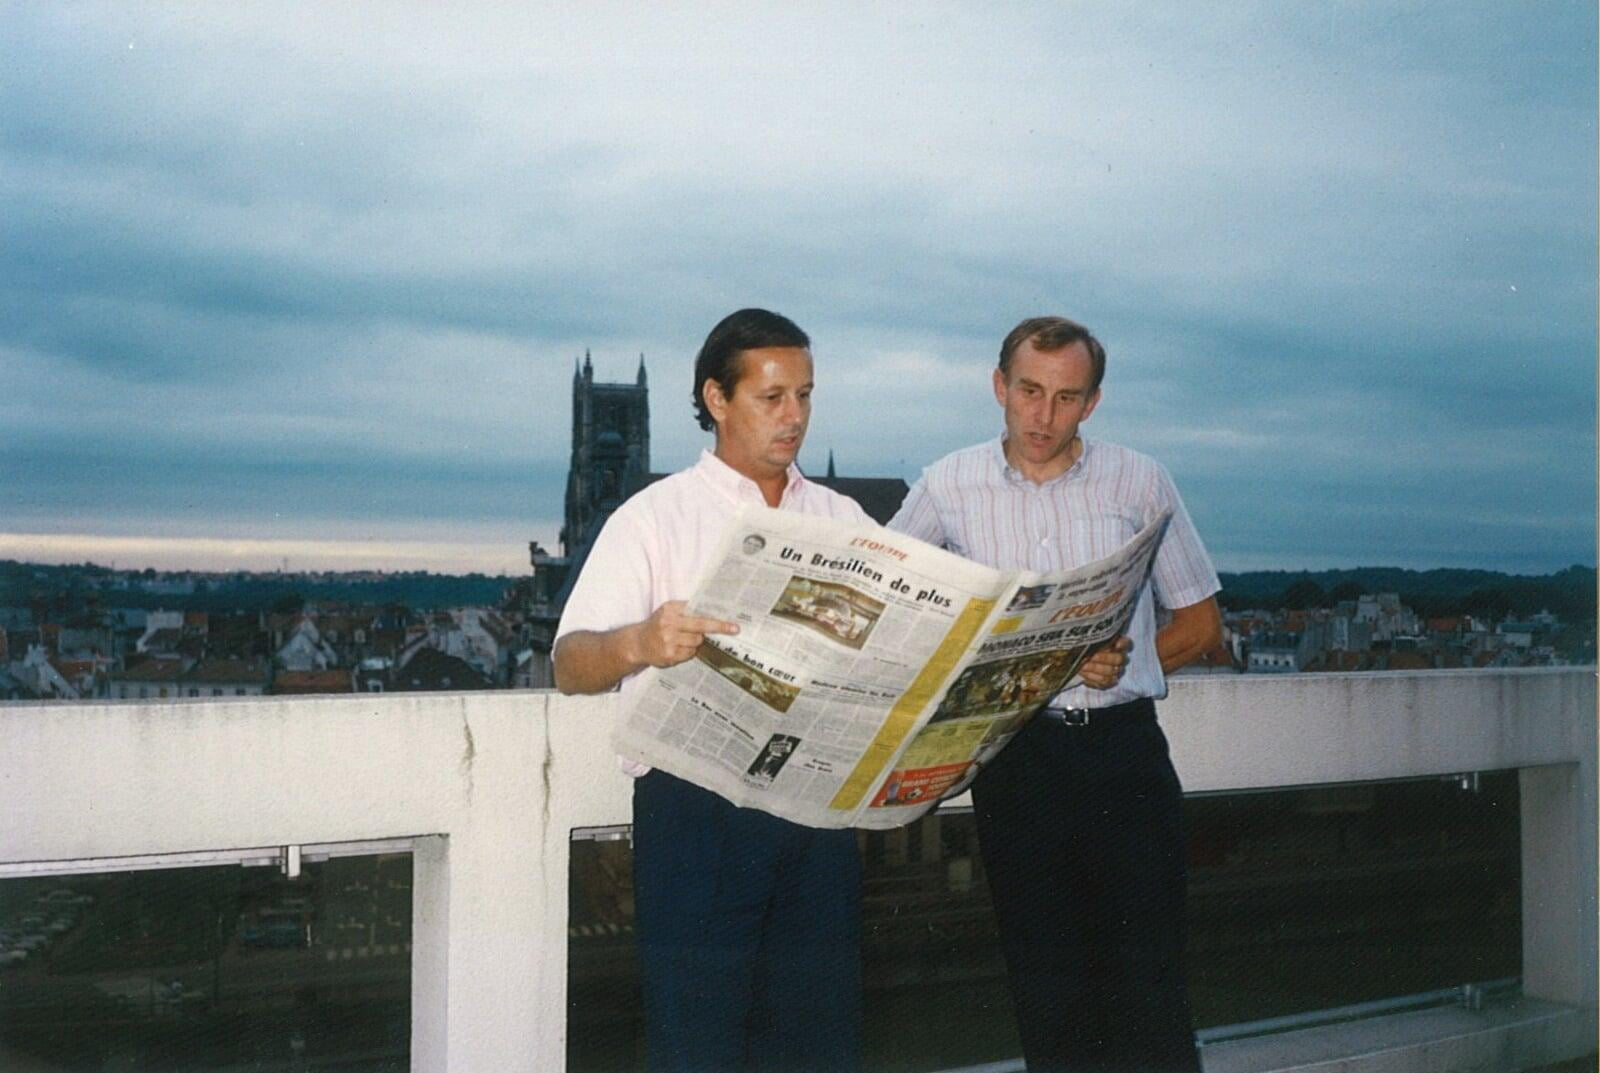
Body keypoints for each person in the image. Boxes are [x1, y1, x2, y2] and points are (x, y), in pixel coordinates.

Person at [888, 315, 1223, 1073]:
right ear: (999, 387)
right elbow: (898, 613)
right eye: (1030, 391)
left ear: (1093, 403)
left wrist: (1128, 657)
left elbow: (1201, 623)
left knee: (1151, 991)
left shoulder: (1139, 480)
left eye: (1066, 398)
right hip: (1019, 760)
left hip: (1125, 756)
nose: (1043, 416)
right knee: (1049, 999)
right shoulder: (947, 485)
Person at [553, 308, 869, 1073]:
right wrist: (639, 642)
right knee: (698, 1047)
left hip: (817, 813)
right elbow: (569, 661)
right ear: (717, 400)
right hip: (698, 817)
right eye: (772, 397)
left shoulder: (843, 518)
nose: (793, 416)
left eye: (805, 395)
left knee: (818, 1047)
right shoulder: (651, 517)